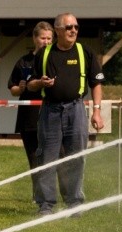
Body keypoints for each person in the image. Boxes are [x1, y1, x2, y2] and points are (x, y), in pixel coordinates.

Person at [27, 12, 104, 215]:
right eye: (69, 27)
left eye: (76, 27)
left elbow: (96, 84)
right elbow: (31, 84)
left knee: (76, 157)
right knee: (47, 157)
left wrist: (97, 112)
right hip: (50, 110)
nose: (73, 31)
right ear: (58, 31)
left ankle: (74, 203)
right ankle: (46, 204)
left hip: (76, 109)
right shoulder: (44, 54)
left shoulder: (85, 52)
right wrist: (40, 83)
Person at [8, 22, 54, 200]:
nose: (46, 41)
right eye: (43, 38)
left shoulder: (55, 59)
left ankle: (55, 193)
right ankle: (39, 195)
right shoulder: (23, 62)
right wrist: (19, 89)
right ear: (35, 39)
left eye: (49, 38)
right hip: (29, 116)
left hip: (52, 114)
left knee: (55, 155)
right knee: (34, 156)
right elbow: (12, 88)